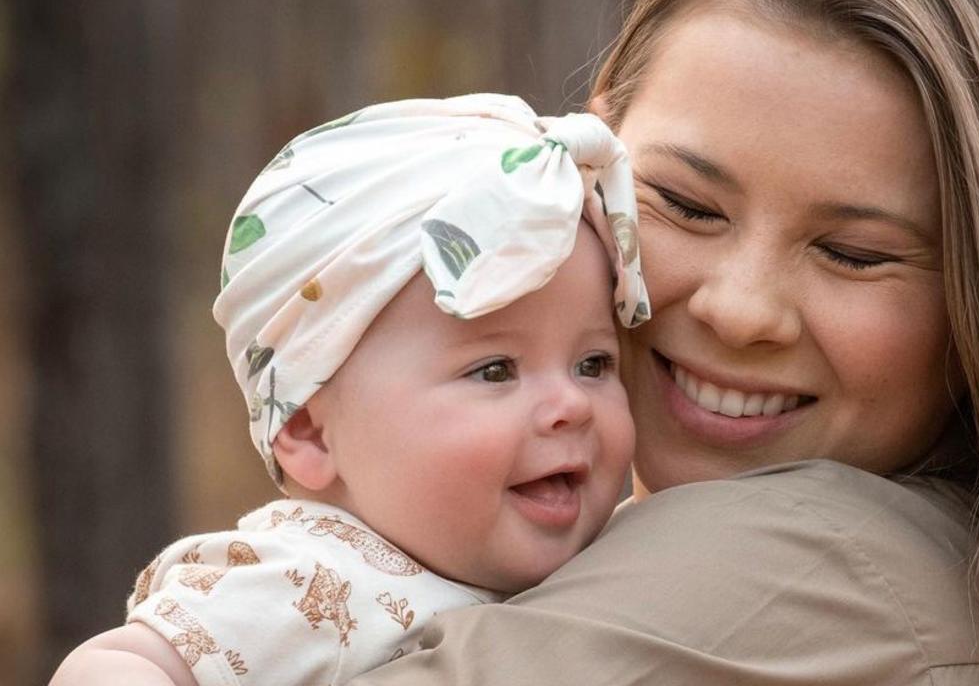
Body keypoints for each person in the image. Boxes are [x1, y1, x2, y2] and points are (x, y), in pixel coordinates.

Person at [349, 0, 979, 685]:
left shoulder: (799, 562)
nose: (740, 310)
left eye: (854, 254)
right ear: (588, 150)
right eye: (686, 205)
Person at [47, 94, 651, 686]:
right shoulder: (311, 578)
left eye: (593, 364)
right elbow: (115, 666)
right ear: (308, 429)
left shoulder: (615, 557)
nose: (571, 405)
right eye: (495, 370)